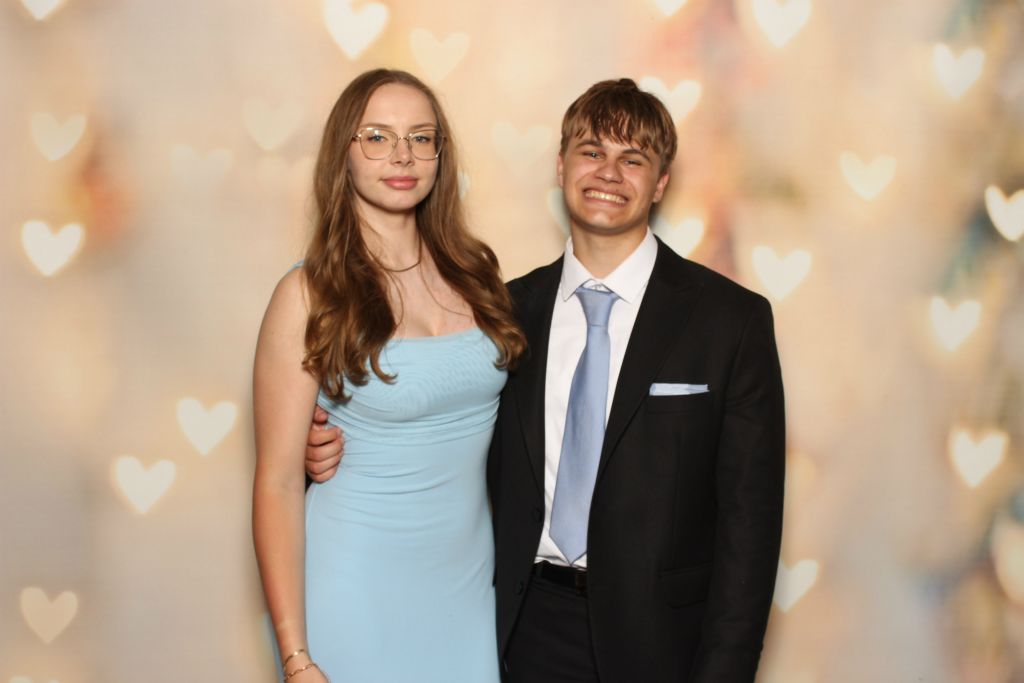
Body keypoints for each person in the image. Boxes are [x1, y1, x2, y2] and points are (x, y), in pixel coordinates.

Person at [306, 78, 785, 683]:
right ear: (561, 167)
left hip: (663, 641)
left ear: (661, 182)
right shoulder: (501, 313)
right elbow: (437, 426)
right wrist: (322, 444)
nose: (608, 172)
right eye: (592, 151)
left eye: (632, 159)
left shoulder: (730, 321)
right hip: (518, 630)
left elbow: (751, 526)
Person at [252, 68, 524, 683]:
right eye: (376, 137)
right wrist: (296, 658)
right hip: (352, 590)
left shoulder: (478, 276)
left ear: (439, 155)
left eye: (420, 137)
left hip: (466, 595)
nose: (402, 155)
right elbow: (277, 483)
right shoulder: (307, 295)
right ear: (342, 154)